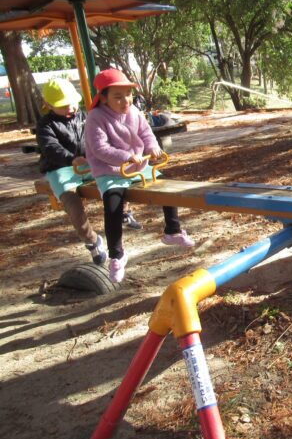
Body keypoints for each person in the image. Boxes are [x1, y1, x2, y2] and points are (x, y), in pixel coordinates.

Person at [84, 69, 195, 283]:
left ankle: (173, 230)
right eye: (118, 96)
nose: (125, 100)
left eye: (128, 94)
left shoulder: (134, 111)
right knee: (113, 204)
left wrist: (152, 147)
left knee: (166, 186)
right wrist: (126, 157)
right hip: (110, 170)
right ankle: (116, 255)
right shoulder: (95, 118)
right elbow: (99, 148)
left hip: (137, 166)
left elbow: (146, 133)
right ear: (104, 98)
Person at [35, 79, 107, 265]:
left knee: (114, 176)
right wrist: (71, 159)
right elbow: (50, 147)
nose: (70, 108)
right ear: (49, 105)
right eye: (63, 105)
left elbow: (97, 136)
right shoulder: (46, 125)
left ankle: (124, 211)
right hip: (60, 167)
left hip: (86, 163)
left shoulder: (85, 117)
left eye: (73, 103)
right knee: (71, 202)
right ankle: (91, 240)